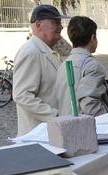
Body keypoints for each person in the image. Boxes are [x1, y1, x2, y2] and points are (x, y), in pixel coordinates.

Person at [13, 5, 68, 136]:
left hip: (51, 132)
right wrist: (56, 116)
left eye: (60, 23)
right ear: (38, 25)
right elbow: (22, 95)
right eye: (55, 23)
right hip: (39, 134)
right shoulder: (31, 52)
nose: (61, 27)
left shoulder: (46, 50)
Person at [55, 16, 108, 117]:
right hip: (84, 127)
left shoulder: (64, 64)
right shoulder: (92, 66)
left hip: (66, 125)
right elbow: (90, 106)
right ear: (92, 38)